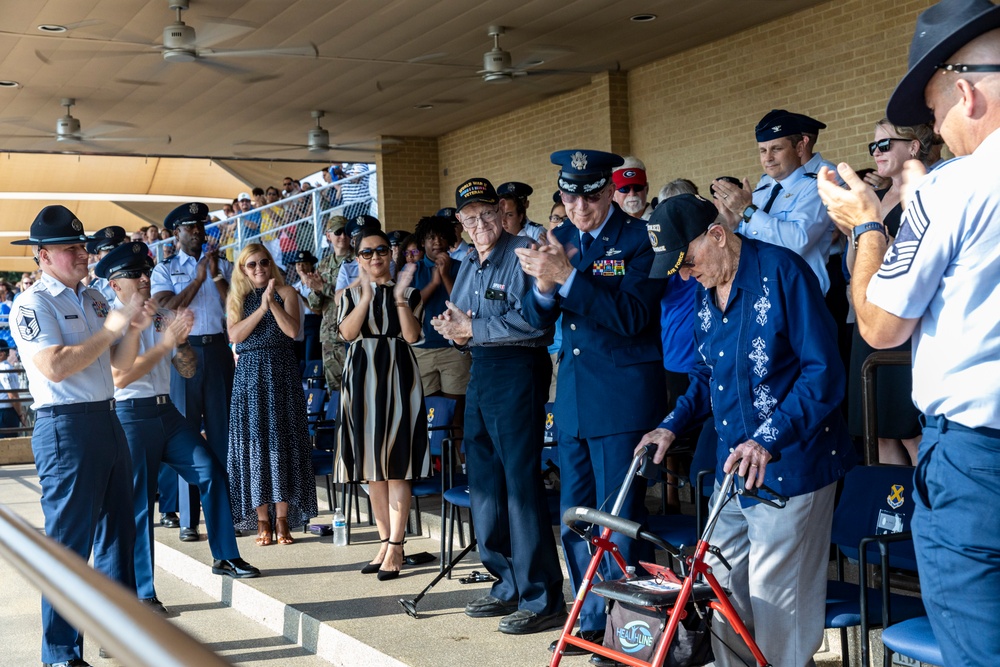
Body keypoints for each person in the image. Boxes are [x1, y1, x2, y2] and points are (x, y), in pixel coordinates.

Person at [816, 2, 1000, 663]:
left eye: (932, 111)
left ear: (966, 92)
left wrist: (866, 225)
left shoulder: (954, 188)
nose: (936, 131)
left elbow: (882, 323)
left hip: (980, 462)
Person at [639, 194, 854, 667]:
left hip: (792, 466)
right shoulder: (704, 288)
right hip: (733, 466)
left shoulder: (782, 272)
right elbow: (704, 375)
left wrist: (768, 437)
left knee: (778, 598)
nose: (685, 274)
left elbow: (824, 373)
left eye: (688, 261)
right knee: (720, 581)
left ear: (717, 234)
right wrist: (670, 426)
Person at [516, 149, 666, 655]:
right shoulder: (561, 242)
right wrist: (542, 284)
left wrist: (569, 278)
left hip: (622, 402)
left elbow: (632, 317)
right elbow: (539, 322)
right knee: (577, 519)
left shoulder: (640, 240)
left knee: (619, 522)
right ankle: (591, 620)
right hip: (576, 400)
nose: (580, 206)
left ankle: (630, 631)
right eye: (570, 196)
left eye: (592, 195)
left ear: (611, 193)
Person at [10, 205, 149, 667]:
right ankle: (61, 653)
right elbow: (56, 364)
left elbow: (119, 365)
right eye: (70, 248)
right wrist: (112, 326)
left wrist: (131, 328)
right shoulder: (34, 303)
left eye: (82, 245)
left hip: (107, 418)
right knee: (70, 546)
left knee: (118, 538)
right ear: (43, 257)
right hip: (65, 426)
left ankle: (121, 633)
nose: (82, 253)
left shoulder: (92, 299)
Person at [97, 242, 260, 617]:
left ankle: (225, 556)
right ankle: (143, 591)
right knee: (140, 505)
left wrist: (182, 344)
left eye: (145, 273)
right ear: (114, 284)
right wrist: (166, 343)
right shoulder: (111, 319)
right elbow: (121, 378)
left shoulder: (160, 314)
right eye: (134, 275)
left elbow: (186, 369)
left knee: (212, 472)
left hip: (166, 412)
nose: (142, 280)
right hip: (130, 415)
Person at [432, 177, 565, 634]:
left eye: (488, 214)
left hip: (519, 368)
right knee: (485, 478)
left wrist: (474, 329)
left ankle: (542, 594)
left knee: (519, 482)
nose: (480, 224)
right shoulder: (469, 261)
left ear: (502, 212)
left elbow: (534, 320)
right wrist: (455, 328)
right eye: (470, 219)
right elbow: (468, 318)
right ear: (462, 225)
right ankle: (505, 581)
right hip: (482, 369)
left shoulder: (524, 250)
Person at [336, 229, 428, 580]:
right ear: (358, 258)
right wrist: (365, 296)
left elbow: (411, 336)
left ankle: (397, 546)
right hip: (360, 378)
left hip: (397, 377)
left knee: (396, 463)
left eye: (380, 250)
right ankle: (384, 542)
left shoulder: (410, 292)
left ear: (391, 253)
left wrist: (400, 299)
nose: (374, 257)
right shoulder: (350, 294)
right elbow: (347, 334)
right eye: (366, 253)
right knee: (372, 466)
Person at [845, 119, 934, 465]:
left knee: (910, 431)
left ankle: (923, 512)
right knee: (879, 430)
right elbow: (856, 265)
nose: (876, 153)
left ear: (912, 147)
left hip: (904, 318)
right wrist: (861, 230)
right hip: (870, 310)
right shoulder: (877, 197)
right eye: (873, 147)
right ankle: (893, 515)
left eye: (885, 144)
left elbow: (920, 253)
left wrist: (878, 238)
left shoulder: (927, 190)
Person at [151, 202, 234, 544]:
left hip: (218, 350)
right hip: (183, 354)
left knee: (222, 435)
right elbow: (166, 306)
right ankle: (188, 518)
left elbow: (237, 306)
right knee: (185, 435)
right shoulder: (165, 269)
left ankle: (227, 515)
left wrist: (214, 275)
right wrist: (199, 279)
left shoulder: (224, 265)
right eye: (190, 227)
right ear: (176, 233)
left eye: (201, 226)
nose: (198, 232)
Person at [226, 243, 318, 545]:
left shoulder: (288, 292)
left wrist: (273, 303)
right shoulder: (237, 297)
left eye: (263, 262)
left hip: (281, 373)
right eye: (251, 265)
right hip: (250, 377)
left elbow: (293, 331)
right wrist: (262, 308)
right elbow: (235, 335)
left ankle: (283, 520)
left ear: (271, 263)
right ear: (243, 269)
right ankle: (262, 521)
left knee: (283, 444)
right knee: (255, 448)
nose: (258, 268)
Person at [712, 110, 833, 294]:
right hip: (759, 293)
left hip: (798, 297)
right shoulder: (761, 192)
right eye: (763, 150)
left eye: (776, 149)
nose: (768, 158)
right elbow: (744, 251)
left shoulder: (817, 187)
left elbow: (798, 242)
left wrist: (747, 210)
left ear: (800, 148)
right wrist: (734, 226)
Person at [409, 216, 471, 436]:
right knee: (429, 416)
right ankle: (434, 467)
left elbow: (463, 305)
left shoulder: (462, 267)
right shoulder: (413, 270)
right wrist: (434, 283)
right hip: (422, 350)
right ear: (422, 242)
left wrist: (444, 276)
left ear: (450, 240)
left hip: (454, 349)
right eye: (430, 237)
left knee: (456, 415)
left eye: (441, 236)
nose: (436, 241)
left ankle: (459, 465)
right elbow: (410, 306)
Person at [303, 215, 353, 390]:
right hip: (330, 336)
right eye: (338, 232)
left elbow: (352, 296)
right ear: (328, 236)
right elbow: (316, 307)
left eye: (346, 232)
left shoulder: (359, 261)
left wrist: (323, 288)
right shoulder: (323, 265)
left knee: (356, 386)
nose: (343, 236)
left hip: (353, 332)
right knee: (335, 390)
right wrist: (316, 290)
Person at [289, 249, 322, 363]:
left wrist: (301, 298)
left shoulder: (316, 283)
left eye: (305, 264)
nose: (301, 267)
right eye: (298, 264)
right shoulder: (295, 286)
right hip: (299, 325)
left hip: (313, 324)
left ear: (311, 265)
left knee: (310, 359)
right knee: (299, 360)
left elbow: (318, 311)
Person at [85, 226, 127, 305]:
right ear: (98, 258)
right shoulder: (95, 289)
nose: (115, 254)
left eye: (118, 250)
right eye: (109, 251)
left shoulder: (139, 278)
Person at [0, 340, 24, 437]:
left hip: (5, 412)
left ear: (1, 353)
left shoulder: (5, 368)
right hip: (6, 413)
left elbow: (12, 395)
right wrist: (20, 414)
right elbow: (13, 396)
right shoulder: (5, 368)